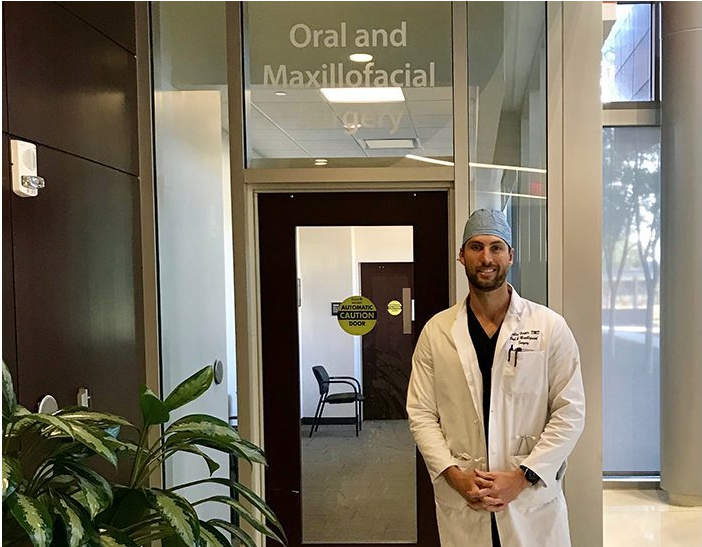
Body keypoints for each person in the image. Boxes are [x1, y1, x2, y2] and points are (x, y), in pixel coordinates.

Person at [407, 209, 586, 547]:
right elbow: (421, 413)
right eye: (476, 247)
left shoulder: (549, 327)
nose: (486, 258)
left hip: (529, 498)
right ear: (462, 256)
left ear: (511, 256)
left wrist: (523, 477)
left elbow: (570, 412)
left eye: (496, 247)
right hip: (464, 494)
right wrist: (454, 476)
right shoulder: (437, 331)